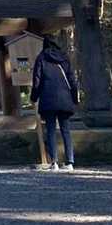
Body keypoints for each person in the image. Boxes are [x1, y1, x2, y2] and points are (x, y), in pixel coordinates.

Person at [31, 35, 79, 171]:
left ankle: (54, 163)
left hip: (48, 99)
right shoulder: (64, 58)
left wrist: (34, 97)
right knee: (66, 130)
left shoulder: (41, 58)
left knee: (51, 130)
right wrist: (74, 98)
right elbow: (72, 80)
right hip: (65, 98)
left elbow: (37, 80)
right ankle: (70, 162)